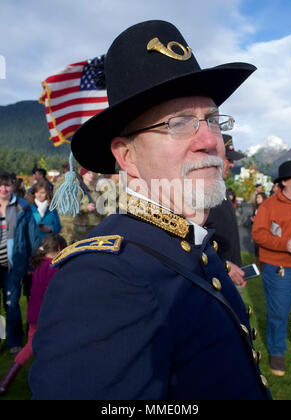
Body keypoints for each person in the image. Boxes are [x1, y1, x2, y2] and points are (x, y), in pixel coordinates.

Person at [29, 20, 271, 400]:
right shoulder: (101, 278)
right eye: (178, 124)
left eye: (211, 119)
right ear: (127, 156)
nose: (210, 140)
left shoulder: (190, 246)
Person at [0, 233, 67, 395]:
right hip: (46, 317)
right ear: (59, 249)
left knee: (36, 347)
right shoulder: (54, 268)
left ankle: (9, 380)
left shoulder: (39, 265)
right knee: (40, 347)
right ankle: (9, 381)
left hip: (33, 314)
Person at [252, 160, 291, 377]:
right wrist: (285, 244)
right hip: (280, 269)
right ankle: (277, 352)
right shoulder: (269, 205)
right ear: (283, 182)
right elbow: (258, 234)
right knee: (279, 313)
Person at [0, 171, 39, 354]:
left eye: (7, 185)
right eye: (0, 185)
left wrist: (32, 264)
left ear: (13, 185)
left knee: (12, 304)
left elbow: (32, 237)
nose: (3, 189)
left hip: (14, 265)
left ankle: (14, 340)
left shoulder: (23, 207)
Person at [205, 134, 246, 288]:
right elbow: (192, 239)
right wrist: (223, 265)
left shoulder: (221, 188)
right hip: (215, 277)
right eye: (228, 159)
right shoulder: (201, 193)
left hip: (231, 275)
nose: (232, 165)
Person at [71, 168, 104, 243]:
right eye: (89, 173)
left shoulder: (96, 190)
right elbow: (73, 206)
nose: (91, 175)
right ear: (83, 175)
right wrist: (86, 208)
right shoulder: (78, 190)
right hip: (82, 226)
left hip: (96, 224)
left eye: (92, 173)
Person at [250, 192, 268, 268]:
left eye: (259, 197)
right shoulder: (256, 207)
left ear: (264, 198)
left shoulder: (265, 208)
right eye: (257, 197)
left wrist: (256, 221)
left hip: (263, 232)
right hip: (255, 230)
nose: (257, 199)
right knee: (256, 248)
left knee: (261, 249)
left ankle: (262, 266)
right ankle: (255, 265)